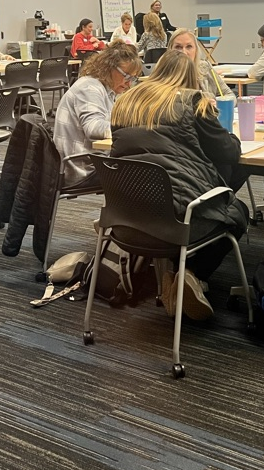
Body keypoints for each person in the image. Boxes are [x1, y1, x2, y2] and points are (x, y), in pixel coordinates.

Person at [110, 49, 247, 321]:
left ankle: (178, 278)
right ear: (191, 77)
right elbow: (227, 152)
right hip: (179, 217)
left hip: (127, 216)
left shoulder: (125, 102)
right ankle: (191, 274)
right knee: (237, 213)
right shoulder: (193, 101)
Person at [53, 42, 142, 184]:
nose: (129, 84)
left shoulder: (106, 89)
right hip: (80, 168)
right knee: (144, 170)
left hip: (90, 160)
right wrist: (130, 129)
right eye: (126, 76)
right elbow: (93, 128)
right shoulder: (89, 87)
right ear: (109, 68)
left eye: (133, 78)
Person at [169, 28, 235, 100]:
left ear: (196, 50)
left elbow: (229, 95)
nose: (184, 52)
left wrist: (217, 104)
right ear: (170, 50)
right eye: (178, 47)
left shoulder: (205, 67)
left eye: (189, 47)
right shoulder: (164, 76)